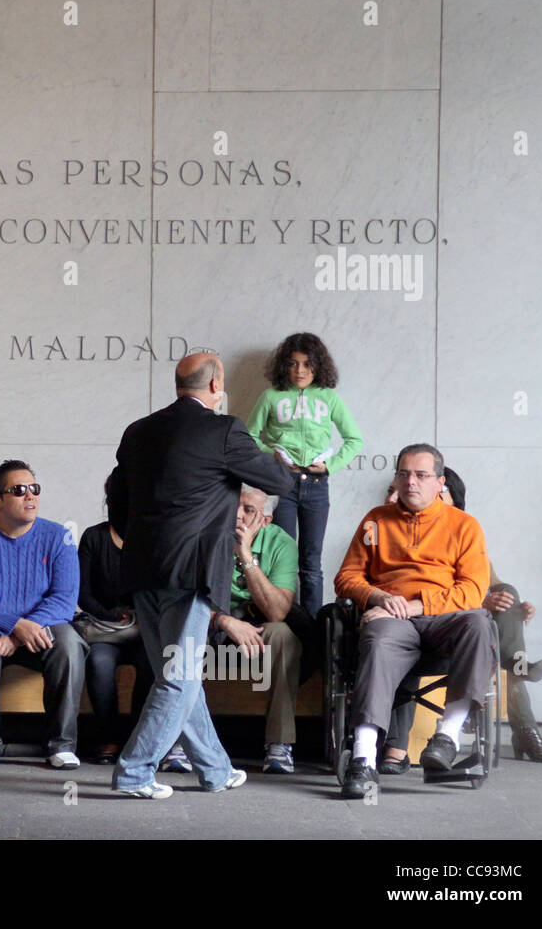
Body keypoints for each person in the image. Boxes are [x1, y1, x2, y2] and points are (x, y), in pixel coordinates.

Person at [108, 352, 293, 799]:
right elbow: (280, 483)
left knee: (174, 673)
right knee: (179, 676)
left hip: (142, 569)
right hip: (189, 573)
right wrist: (281, 458)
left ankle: (214, 768)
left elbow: (116, 497)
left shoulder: (138, 431)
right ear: (216, 386)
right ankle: (134, 773)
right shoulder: (224, 430)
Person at [333, 444, 496, 799]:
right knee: (376, 637)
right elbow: (346, 578)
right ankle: (363, 758)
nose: (411, 482)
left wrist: (413, 606)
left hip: (444, 621)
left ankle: (447, 737)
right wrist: (379, 598)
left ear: (439, 482)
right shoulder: (375, 520)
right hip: (392, 620)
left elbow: (472, 589)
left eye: (421, 475)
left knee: (480, 623)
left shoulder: (464, 526)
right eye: (404, 474)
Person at [379, 468, 542, 770]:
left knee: (508, 596)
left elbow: (488, 586)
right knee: (499, 652)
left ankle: (515, 662)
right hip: (422, 629)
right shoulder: (388, 531)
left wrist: (516, 610)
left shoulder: (462, 532)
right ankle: (520, 690)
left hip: (465, 636)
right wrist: (480, 600)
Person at [0, 461, 87, 771]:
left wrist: (19, 632)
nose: (30, 497)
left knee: (69, 642)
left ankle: (62, 744)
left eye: (34, 489)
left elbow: (65, 600)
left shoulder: (59, 536)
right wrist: (12, 625)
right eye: (18, 490)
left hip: (39, 631)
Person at [246, 332, 363, 616]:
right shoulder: (271, 396)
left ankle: (312, 628)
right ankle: (286, 622)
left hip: (316, 484)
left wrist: (330, 466)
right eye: (294, 364)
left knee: (311, 561)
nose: (300, 371)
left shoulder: (329, 398)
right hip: (281, 483)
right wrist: (271, 454)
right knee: (283, 557)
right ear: (285, 365)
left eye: (308, 365)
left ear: (318, 367)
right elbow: (248, 436)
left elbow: (354, 440)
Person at [209, 485, 317, 774]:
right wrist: (225, 620)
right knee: (183, 631)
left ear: (266, 520)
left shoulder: (281, 543)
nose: (237, 515)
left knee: (283, 635)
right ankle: (180, 740)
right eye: (235, 505)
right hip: (214, 621)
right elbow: (185, 596)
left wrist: (245, 554)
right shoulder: (206, 532)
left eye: (249, 510)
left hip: (259, 627)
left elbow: (277, 611)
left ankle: (279, 744)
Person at [76, 478, 153, 765]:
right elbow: (82, 593)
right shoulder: (93, 538)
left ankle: (136, 738)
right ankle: (108, 737)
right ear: (108, 502)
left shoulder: (151, 539)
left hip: (143, 629)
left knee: (151, 662)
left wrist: (138, 616)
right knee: (98, 662)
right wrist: (111, 616)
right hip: (105, 629)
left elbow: (158, 591)